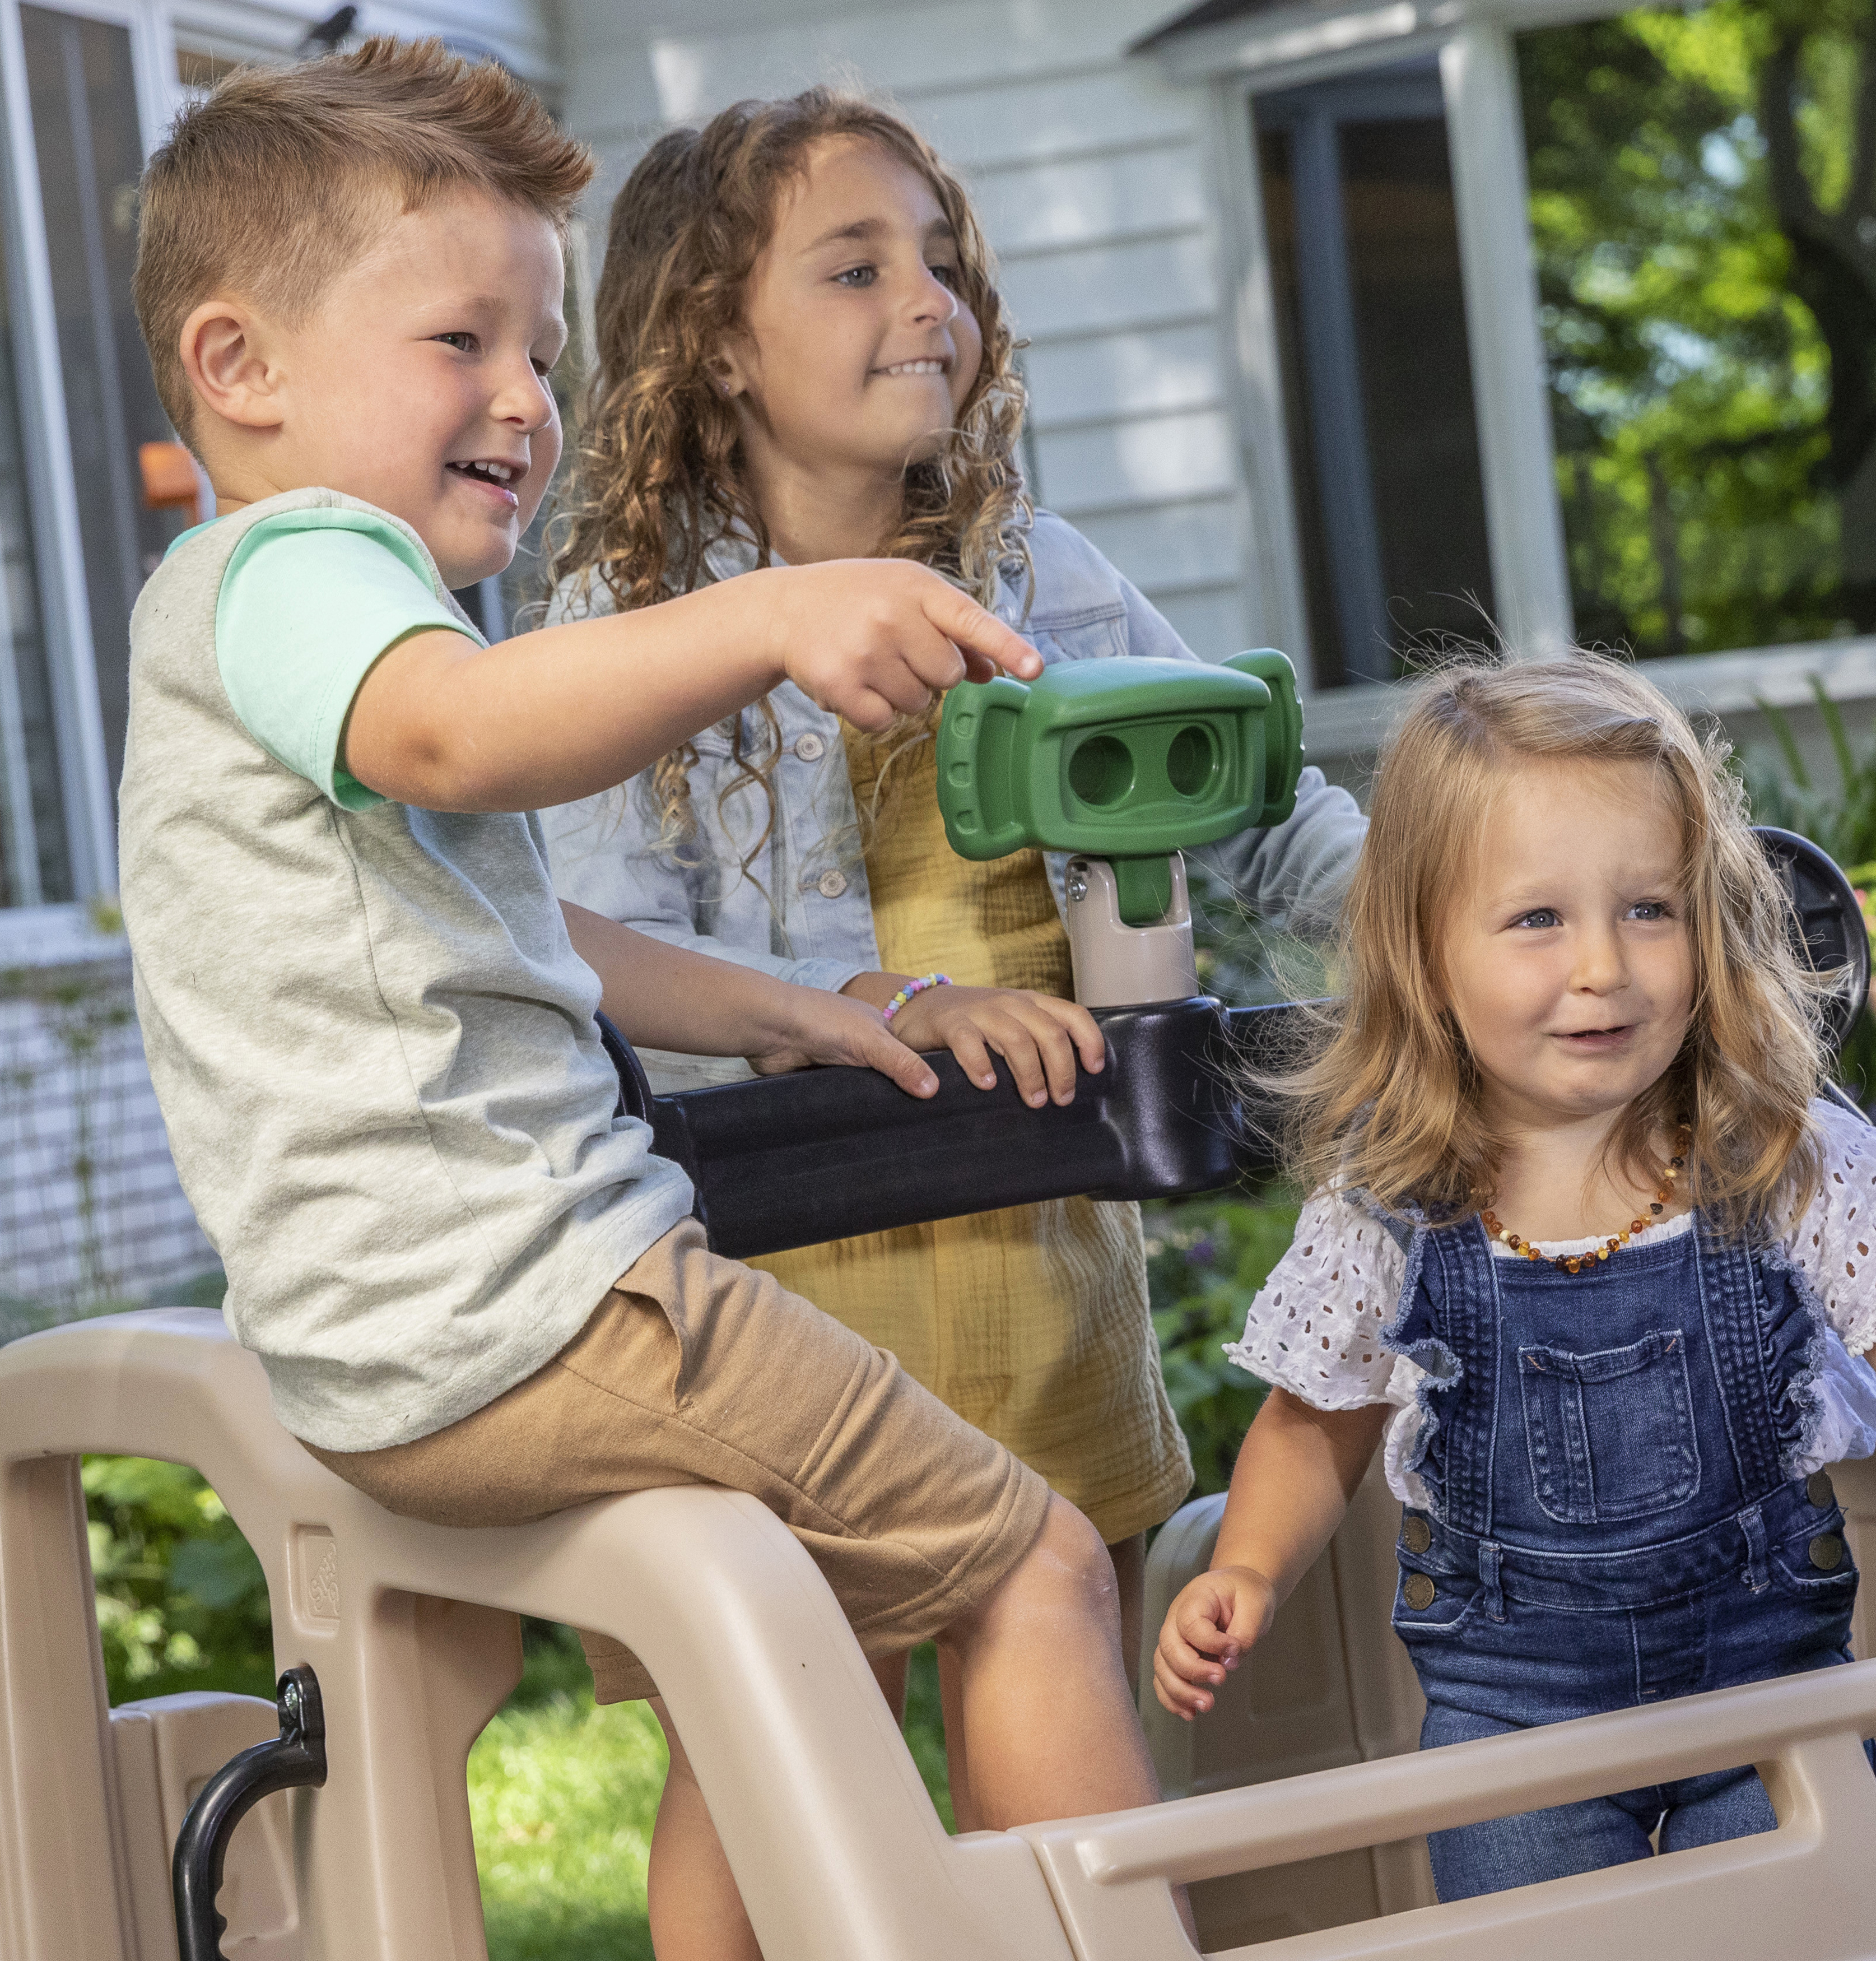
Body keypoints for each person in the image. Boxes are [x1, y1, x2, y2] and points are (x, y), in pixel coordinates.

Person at [120, 39, 1177, 1961]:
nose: (525, 398)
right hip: (543, 1294)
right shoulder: (304, 574)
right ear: (238, 367)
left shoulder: (282, 619)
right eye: (461, 340)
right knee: (1025, 1558)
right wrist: (767, 616)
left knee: (789, 1620)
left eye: (539, 350)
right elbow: (461, 736)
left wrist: (804, 1013)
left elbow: (538, 927)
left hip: (408, 1330)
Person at [541, 90, 1368, 1737]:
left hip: (1036, 1253)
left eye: (940, 262)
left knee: (1052, 1671)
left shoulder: (1044, 581)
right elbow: (596, 952)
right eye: (856, 269)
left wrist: (1452, 932)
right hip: (781, 1275)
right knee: (786, 1737)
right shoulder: (630, 629)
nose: (930, 303)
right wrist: (889, 1001)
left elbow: (1261, 807)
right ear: (716, 341)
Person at [1152, 652, 1876, 1900]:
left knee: (1791, 1931)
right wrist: (1248, 1569)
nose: (1603, 968)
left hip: (1772, 1695)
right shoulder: (1391, 1206)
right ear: (1426, 956)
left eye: (1649, 909)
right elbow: (1317, 1419)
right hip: (1511, 1728)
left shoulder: (1782, 1158)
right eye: (1538, 919)